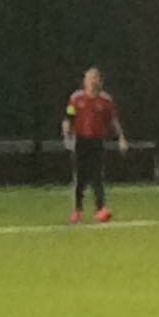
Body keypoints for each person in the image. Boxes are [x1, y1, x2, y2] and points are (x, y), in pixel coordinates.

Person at [61, 66, 129, 223]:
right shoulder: (76, 98)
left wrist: (121, 138)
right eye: (89, 78)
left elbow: (113, 121)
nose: (92, 81)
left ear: (100, 81)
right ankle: (77, 210)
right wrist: (67, 129)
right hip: (80, 141)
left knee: (97, 176)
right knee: (80, 177)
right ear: (85, 81)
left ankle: (101, 209)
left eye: (95, 78)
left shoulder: (106, 100)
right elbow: (69, 116)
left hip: (97, 142)